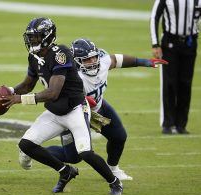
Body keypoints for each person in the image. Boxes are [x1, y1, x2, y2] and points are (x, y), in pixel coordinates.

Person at [1, 17, 123, 195]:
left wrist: (20, 99)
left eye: (36, 37)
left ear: (48, 36)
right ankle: (65, 171)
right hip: (55, 112)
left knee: (85, 154)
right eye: (31, 37)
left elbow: (53, 93)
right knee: (26, 145)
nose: (32, 41)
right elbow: (28, 85)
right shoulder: (33, 56)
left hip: (75, 110)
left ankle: (115, 182)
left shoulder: (61, 54)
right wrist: (9, 91)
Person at [19, 38, 168, 181]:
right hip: (74, 112)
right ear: (76, 61)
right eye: (86, 60)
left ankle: (113, 169)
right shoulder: (72, 76)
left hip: (98, 107)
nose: (92, 62)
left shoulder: (102, 62)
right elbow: (59, 95)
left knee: (119, 137)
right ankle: (31, 151)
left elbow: (117, 59)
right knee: (73, 157)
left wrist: (145, 62)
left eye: (94, 58)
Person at [150, 0, 200, 134]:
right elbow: (155, 16)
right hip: (170, 43)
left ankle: (181, 125)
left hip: (190, 43)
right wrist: (155, 44)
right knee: (170, 83)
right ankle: (168, 123)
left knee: (186, 83)